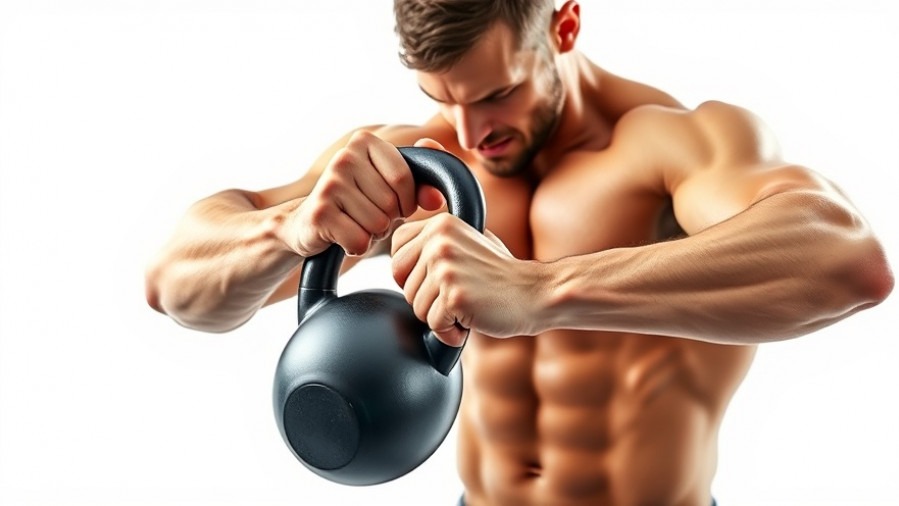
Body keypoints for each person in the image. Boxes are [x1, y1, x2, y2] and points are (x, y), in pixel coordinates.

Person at [144, 1, 893, 505]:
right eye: (444, 96)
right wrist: (288, 230)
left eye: (496, 92)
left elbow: (844, 259)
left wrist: (540, 291)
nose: (469, 134)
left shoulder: (670, 146)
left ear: (563, 24)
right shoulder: (419, 162)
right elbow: (174, 284)